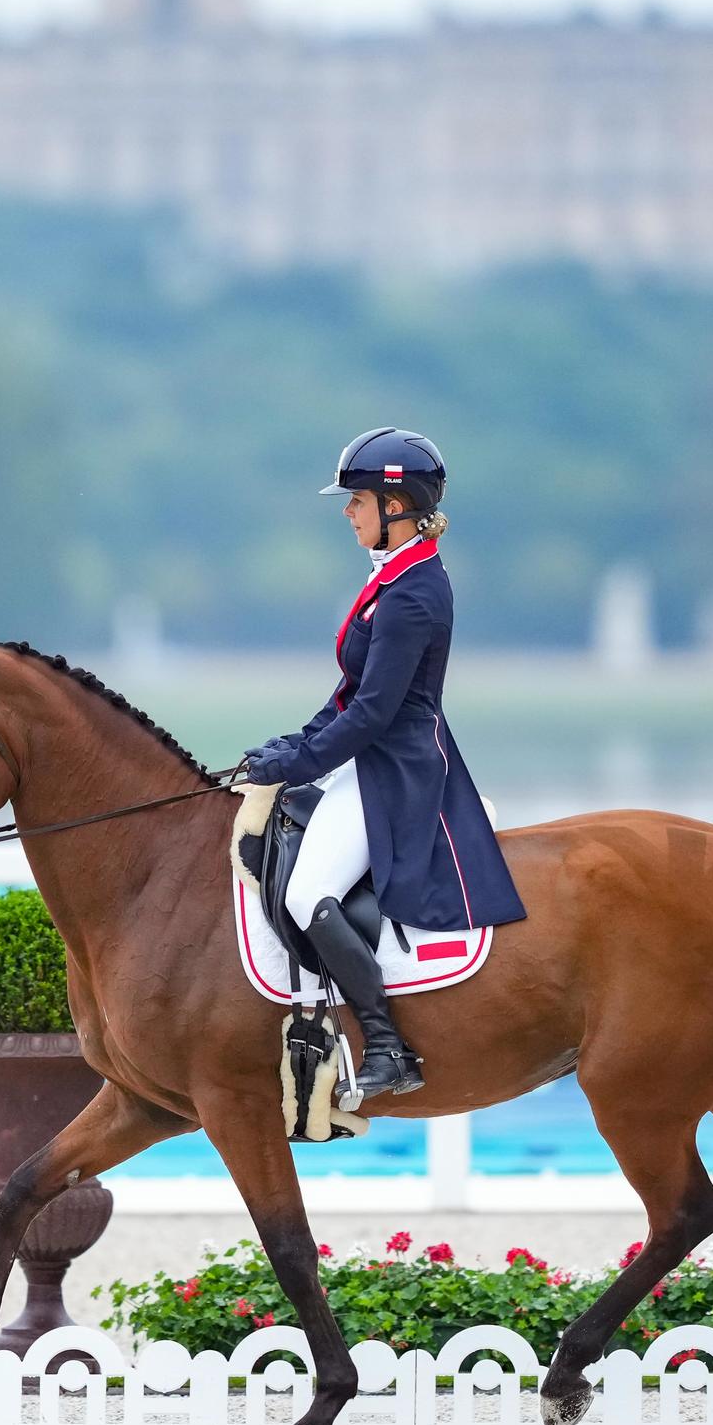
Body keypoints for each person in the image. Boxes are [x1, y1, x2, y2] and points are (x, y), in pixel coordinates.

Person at [240, 427, 526, 1098]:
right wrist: (294, 745)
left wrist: (300, 761)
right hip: (372, 757)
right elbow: (350, 694)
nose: (348, 511)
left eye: (358, 499)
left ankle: (387, 1044)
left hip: (395, 770)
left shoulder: (413, 591)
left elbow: (372, 713)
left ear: (396, 503)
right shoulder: (395, 576)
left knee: (308, 891)